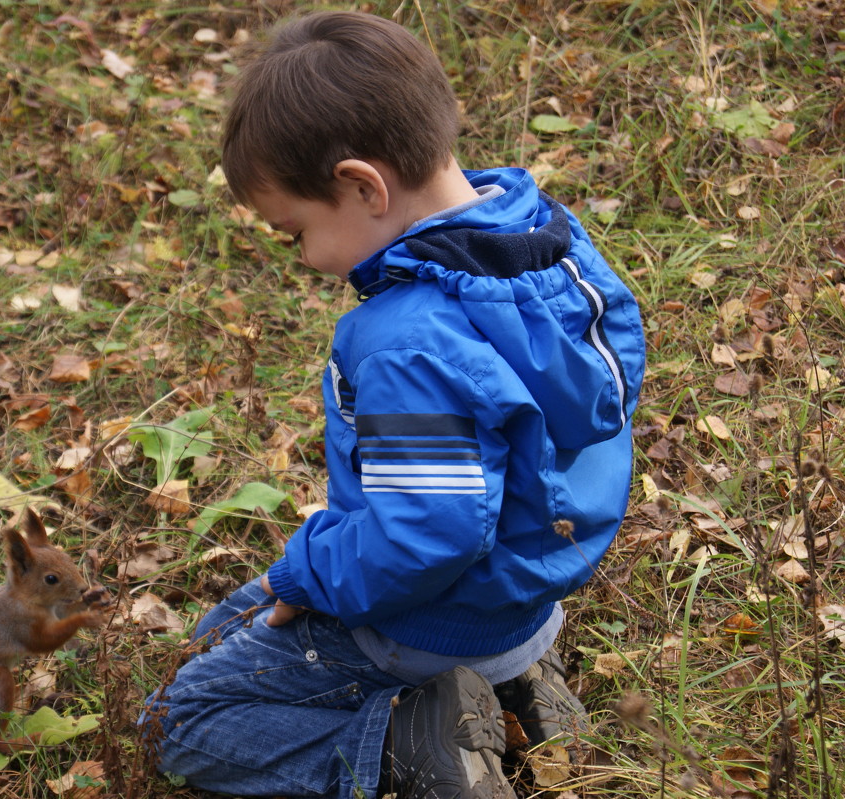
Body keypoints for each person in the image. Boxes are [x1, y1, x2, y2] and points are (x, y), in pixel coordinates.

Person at [144, 10, 645, 799]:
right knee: (224, 627)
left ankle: (409, 752)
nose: (303, 257)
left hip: (435, 619)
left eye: (294, 231)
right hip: (530, 588)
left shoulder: (404, 339)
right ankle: (517, 688)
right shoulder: (549, 243)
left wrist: (309, 567)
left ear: (361, 185)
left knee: (176, 716)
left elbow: (429, 536)